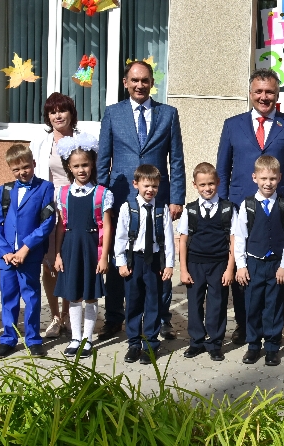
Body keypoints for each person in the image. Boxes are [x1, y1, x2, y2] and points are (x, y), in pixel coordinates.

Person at [217, 68, 284, 345]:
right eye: (258, 91)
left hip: (278, 211)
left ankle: (271, 328)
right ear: (250, 93)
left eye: (269, 92)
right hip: (241, 208)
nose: (264, 97)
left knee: (272, 270)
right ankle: (244, 324)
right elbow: (222, 169)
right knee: (243, 267)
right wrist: (224, 208)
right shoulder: (232, 125)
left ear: (277, 95)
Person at [98, 60, 185, 342]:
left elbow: (176, 160)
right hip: (121, 197)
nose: (139, 85)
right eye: (134, 80)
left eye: (145, 80)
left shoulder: (168, 114)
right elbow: (104, 159)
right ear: (125, 83)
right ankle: (114, 317)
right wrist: (101, 199)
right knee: (119, 257)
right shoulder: (113, 113)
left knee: (159, 256)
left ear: (151, 83)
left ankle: (161, 318)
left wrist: (176, 198)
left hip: (157, 199)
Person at [0, 144, 56, 359]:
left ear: (33, 164)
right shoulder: (4, 190)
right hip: (7, 257)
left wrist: (26, 248)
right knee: (8, 298)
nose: (22, 172)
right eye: (16, 169)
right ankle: (8, 339)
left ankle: (33, 339)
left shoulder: (45, 188)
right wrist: (5, 252)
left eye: (26, 167)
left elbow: (47, 222)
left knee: (31, 297)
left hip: (29, 255)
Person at [53, 134, 113, 359]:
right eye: (76, 166)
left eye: (85, 165)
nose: (81, 170)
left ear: (93, 164)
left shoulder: (102, 194)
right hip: (70, 249)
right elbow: (61, 226)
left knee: (90, 295)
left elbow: (107, 227)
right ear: (69, 167)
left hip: (91, 249)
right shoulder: (63, 193)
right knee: (73, 294)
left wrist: (104, 256)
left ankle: (87, 338)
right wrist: (57, 254)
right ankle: (75, 337)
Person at [234, 155, 284, 366]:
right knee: (253, 305)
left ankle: (271, 347)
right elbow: (240, 237)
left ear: (279, 178)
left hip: (276, 265)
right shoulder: (248, 205)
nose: (268, 183)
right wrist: (241, 266)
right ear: (255, 178)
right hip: (254, 263)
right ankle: (253, 345)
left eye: (272, 178)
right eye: (263, 178)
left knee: (274, 306)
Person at [30, 92, 81, 338]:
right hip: (49, 207)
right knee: (49, 264)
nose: (57, 115)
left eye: (62, 110)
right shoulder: (40, 142)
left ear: (71, 113)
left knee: (70, 262)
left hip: (76, 206)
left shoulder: (85, 141)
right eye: (52, 112)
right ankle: (55, 317)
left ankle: (69, 314)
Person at [114, 164, 174, 365]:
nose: (150, 190)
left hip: (155, 261)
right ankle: (133, 343)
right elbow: (120, 238)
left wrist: (169, 265)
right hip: (134, 260)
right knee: (133, 302)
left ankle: (150, 344)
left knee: (153, 303)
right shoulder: (127, 208)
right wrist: (121, 262)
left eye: (154, 186)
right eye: (146, 185)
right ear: (136, 184)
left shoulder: (161, 209)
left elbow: (168, 239)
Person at [177, 162, 237, 362]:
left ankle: (215, 343)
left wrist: (230, 269)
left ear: (218, 182)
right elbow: (183, 240)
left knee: (217, 304)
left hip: (219, 264)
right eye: (202, 185)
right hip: (194, 264)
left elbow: (234, 240)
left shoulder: (228, 209)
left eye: (211, 183)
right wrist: (183, 269)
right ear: (195, 185)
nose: (207, 188)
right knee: (194, 303)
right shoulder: (190, 210)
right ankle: (196, 341)